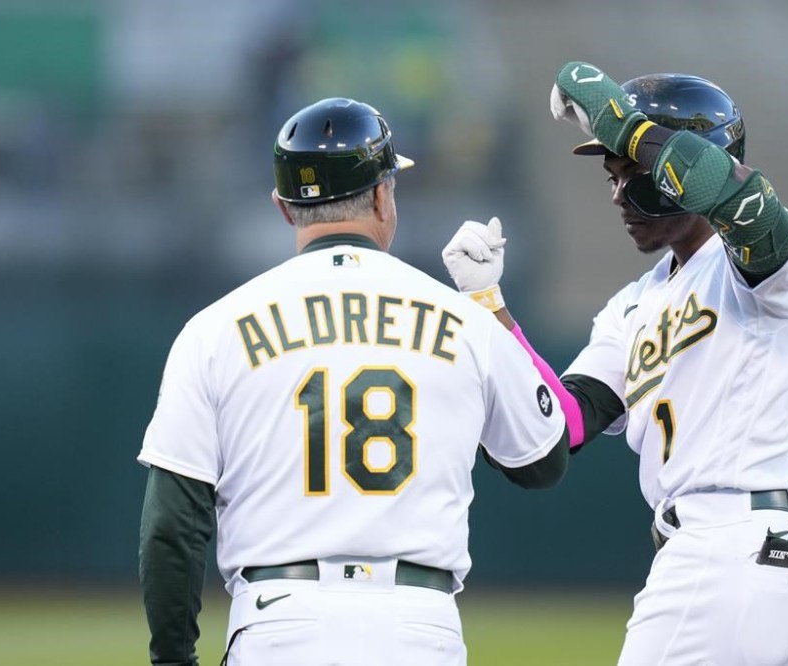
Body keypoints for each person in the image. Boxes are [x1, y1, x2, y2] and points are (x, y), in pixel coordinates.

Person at [441, 62, 788, 665]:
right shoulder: (633, 304)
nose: (617, 195)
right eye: (611, 177)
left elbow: (740, 201)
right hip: (776, 558)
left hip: (726, 550)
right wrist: (491, 311)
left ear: (684, 167)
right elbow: (562, 422)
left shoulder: (764, 265)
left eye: (633, 176)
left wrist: (622, 121)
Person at [137, 96, 569, 666]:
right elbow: (543, 461)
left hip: (279, 621)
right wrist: (489, 305)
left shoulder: (214, 328)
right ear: (384, 195)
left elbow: (172, 524)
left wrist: (174, 659)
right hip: (421, 625)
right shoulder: (466, 321)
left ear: (284, 208)